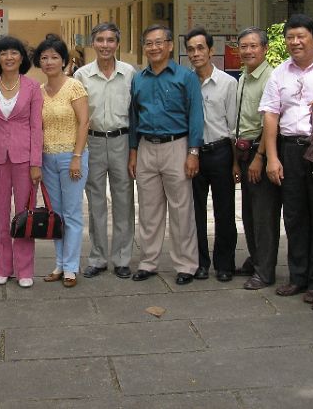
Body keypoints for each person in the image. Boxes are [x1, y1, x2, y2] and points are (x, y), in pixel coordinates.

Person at [259, 14, 313, 302]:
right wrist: (272, 158)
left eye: (301, 36)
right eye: (290, 37)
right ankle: (298, 276)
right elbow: (271, 115)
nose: (295, 42)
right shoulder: (280, 73)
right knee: (294, 215)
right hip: (290, 150)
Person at [128, 25, 204, 284]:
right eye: (149, 43)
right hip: (146, 147)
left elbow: (196, 116)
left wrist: (193, 152)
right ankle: (148, 262)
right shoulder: (138, 79)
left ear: (170, 46)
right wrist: (133, 151)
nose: (154, 47)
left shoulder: (186, 77)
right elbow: (134, 117)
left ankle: (186, 265)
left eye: (159, 42)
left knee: (181, 210)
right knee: (148, 210)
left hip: (177, 146)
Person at [0, 36, 43, 288]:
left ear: (21, 57)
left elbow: (37, 127)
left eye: (14, 52)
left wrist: (36, 162)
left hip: (25, 159)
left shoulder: (32, 86)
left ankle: (24, 269)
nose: (9, 57)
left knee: (24, 215)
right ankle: (4, 267)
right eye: (3, 53)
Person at [74, 23, 135, 279]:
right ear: (93, 43)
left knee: (124, 201)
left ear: (117, 44)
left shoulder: (129, 73)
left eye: (110, 40)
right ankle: (98, 258)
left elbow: (135, 111)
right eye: (100, 40)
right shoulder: (82, 76)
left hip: (122, 140)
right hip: (93, 142)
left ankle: (122, 258)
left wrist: (134, 149)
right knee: (95, 201)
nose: (105, 45)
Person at [36, 35, 90, 288]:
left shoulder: (74, 87)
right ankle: (59, 263)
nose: (49, 62)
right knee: (55, 215)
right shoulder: (39, 92)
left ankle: (71, 267)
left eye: (54, 57)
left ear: (64, 60)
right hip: (47, 159)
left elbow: (84, 122)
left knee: (72, 214)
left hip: (72, 157)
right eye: (44, 58)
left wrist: (77, 157)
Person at [186, 27, 238, 282]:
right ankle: (199, 263)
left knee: (224, 211)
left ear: (210, 51)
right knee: (194, 211)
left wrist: (236, 163)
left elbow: (234, 128)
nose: (196, 54)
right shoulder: (185, 82)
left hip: (220, 152)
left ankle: (225, 264)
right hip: (193, 154)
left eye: (200, 48)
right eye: (191, 50)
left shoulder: (228, 83)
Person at [232, 28, 282, 291]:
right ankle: (256, 258)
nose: (248, 51)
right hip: (244, 151)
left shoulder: (270, 78)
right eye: (243, 46)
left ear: (264, 49)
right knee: (249, 212)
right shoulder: (244, 77)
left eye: (253, 46)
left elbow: (269, 122)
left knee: (264, 215)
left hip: (259, 151)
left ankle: (265, 271)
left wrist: (260, 157)